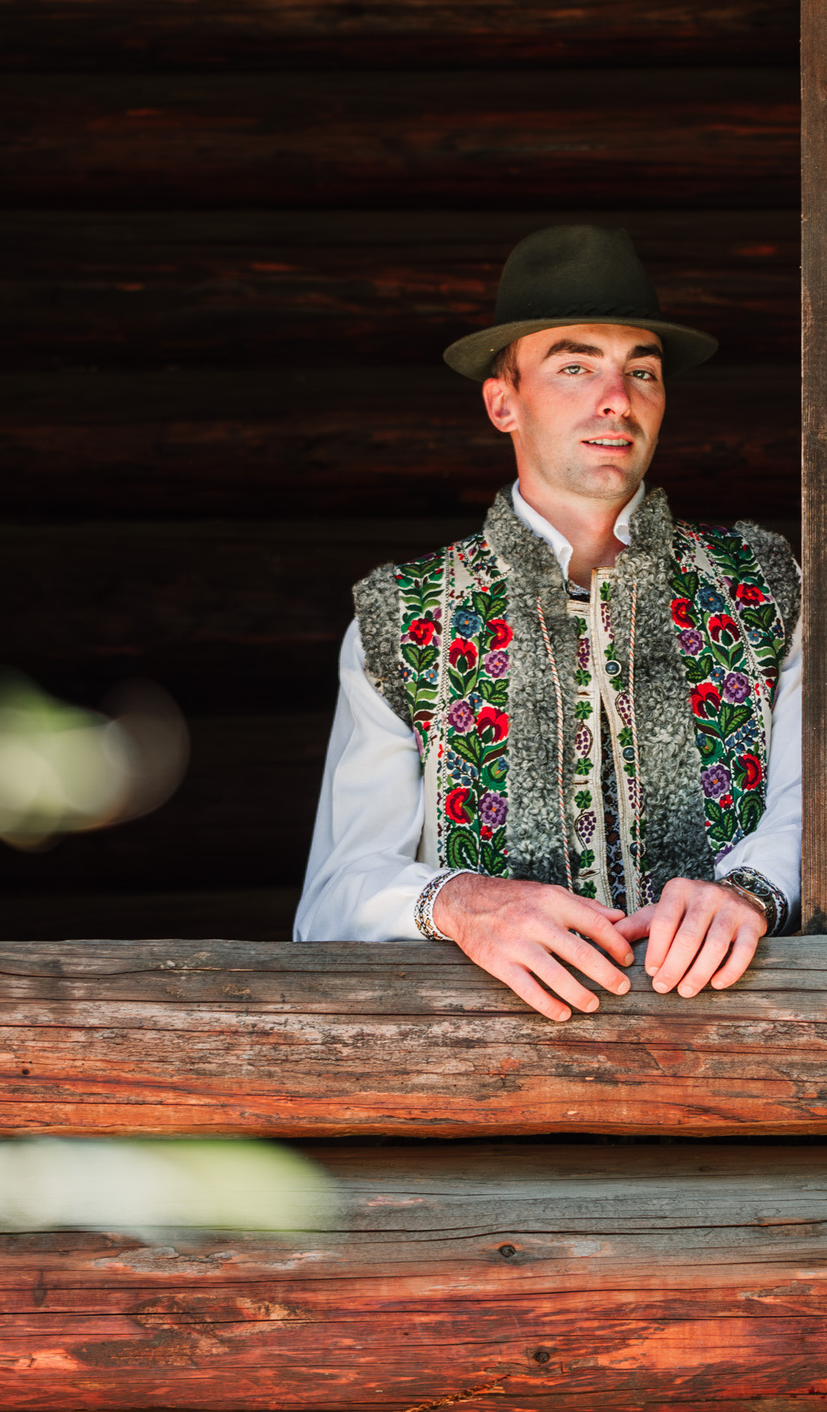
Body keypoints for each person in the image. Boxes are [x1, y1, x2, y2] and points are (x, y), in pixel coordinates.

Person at [295, 226, 801, 1021]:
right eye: (576, 367)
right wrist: (462, 903)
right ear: (504, 402)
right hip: (494, 1093)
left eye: (643, 370)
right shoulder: (404, 618)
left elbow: (826, 808)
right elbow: (334, 898)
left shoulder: (767, 586)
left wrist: (748, 892)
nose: (617, 399)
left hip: (761, 1059)